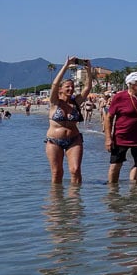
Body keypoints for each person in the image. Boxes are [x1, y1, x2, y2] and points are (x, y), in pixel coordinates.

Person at [45, 56, 93, 186]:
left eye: (72, 87)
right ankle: (57, 202)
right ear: (60, 89)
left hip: (74, 139)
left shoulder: (76, 102)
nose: (71, 89)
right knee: (57, 172)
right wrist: (66, 65)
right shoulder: (54, 102)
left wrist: (88, 69)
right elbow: (55, 84)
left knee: (75, 170)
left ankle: (75, 202)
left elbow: (88, 87)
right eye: (67, 87)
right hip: (54, 141)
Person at [105, 72, 137, 186]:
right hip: (121, 137)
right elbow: (109, 118)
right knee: (115, 165)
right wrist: (108, 139)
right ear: (131, 84)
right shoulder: (120, 97)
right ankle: (112, 191)